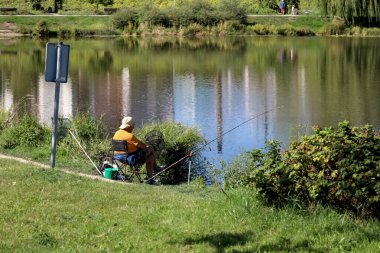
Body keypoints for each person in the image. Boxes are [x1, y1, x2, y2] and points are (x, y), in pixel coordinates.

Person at [113, 116, 161, 184]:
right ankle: (150, 178)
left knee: (148, 151)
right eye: (133, 125)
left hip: (118, 157)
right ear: (128, 126)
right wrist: (148, 146)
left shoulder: (117, 133)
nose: (134, 127)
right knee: (151, 154)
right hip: (129, 158)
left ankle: (156, 168)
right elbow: (143, 146)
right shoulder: (130, 136)